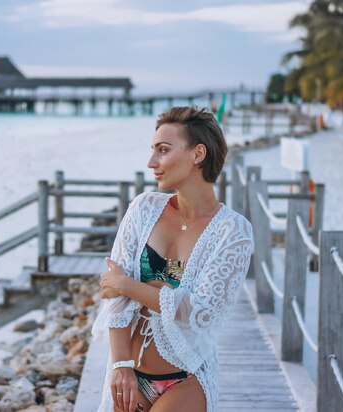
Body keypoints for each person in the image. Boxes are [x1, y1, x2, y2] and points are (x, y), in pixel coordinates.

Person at [91, 106, 254, 412]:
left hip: (186, 379)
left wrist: (128, 285)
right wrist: (121, 365)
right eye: (153, 150)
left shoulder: (233, 232)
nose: (152, 162)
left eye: (163, 150)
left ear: (198, 154)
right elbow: (113, 298)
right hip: (127, 374)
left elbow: (201, 312)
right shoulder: (144, 208)